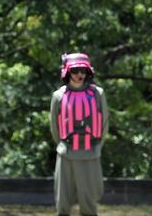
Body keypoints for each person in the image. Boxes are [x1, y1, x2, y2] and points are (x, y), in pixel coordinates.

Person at [50, 53, 109, 216]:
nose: (80, 75)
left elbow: (104, 124)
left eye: (83, 71)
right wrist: (63, 145)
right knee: (63, 199)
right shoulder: (58, 96)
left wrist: (96, 146)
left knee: (89, 199)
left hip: (91, 152)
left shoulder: (98, 94)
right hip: (66, 152)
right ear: (67, 72)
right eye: (75, 71)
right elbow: (54, 126)